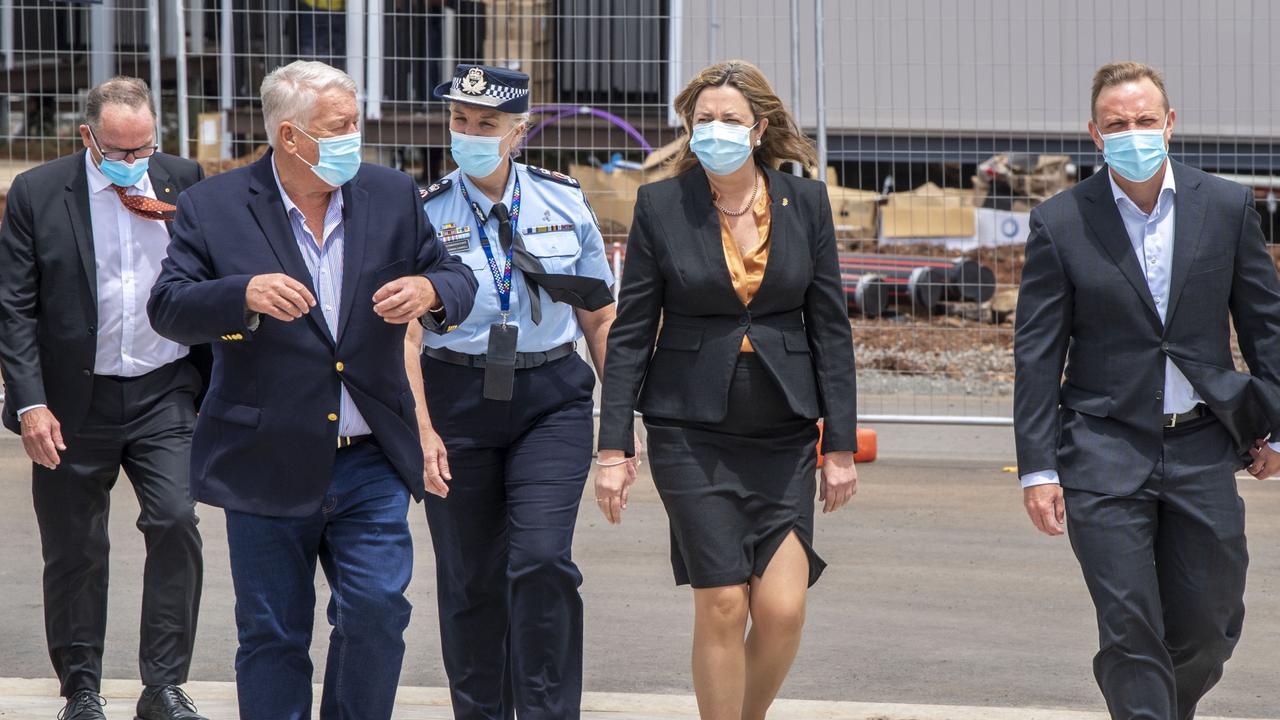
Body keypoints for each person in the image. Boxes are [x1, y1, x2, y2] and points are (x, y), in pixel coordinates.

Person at [146, 60, 477, 720]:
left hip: (371, 455)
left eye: (356, 121)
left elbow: (454, 276)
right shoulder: (213, 206)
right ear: (291, 137)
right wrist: (240, 294)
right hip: (265, 455)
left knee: (379, 615)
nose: (357, 135)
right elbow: (168, 307)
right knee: (272, 635)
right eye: (342, 126)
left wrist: (431, 290)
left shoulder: (389, 193)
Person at [1014, 61, 1280, 720]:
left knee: (1207, 631)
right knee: (1130, 631)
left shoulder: (1223, 205)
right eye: (1116, 124)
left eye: (1143, 120)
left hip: (1201, 445)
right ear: (1094, 135)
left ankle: (1162, 705)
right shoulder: (1061, 222)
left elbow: (1266, 327)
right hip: (1101, 447)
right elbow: (1038, 355)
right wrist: (1038, 466)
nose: (1132, 133)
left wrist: (1274, 425)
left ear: (1169, 123)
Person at [595, 60, 858, 720]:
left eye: (729, 120)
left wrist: (842, 447)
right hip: (691, 432)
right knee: (721, 602)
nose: (714, 130)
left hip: (784, 433)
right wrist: (612, 448)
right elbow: (629, 334)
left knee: (782, 610)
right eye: (703, 120)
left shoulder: (808, 203)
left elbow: (830, 329)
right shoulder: (662, 205)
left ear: (759, 128)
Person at [413, 63, 620, 720]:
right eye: (461, 121)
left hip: (550, 399)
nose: (471, 133)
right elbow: (405, 339)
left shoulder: (564, 200)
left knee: (541, 561)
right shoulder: (423, 214)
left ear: (519, 130)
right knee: (470, 580)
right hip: (456, 402)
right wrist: (420, 429)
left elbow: (599, 316)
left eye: (487, 123)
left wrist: (618, 432)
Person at [0, 76, 209, 720]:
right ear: (88, 135)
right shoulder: (38, 192)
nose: (132, 162)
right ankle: (81, 688)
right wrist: (29, 402)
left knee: (175, 521)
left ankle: (164, 684)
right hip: (68, 400)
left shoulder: (183, 178)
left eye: (143, 148)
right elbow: (15, 307)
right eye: (118, 151)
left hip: (164, 387)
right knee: (74, 546)